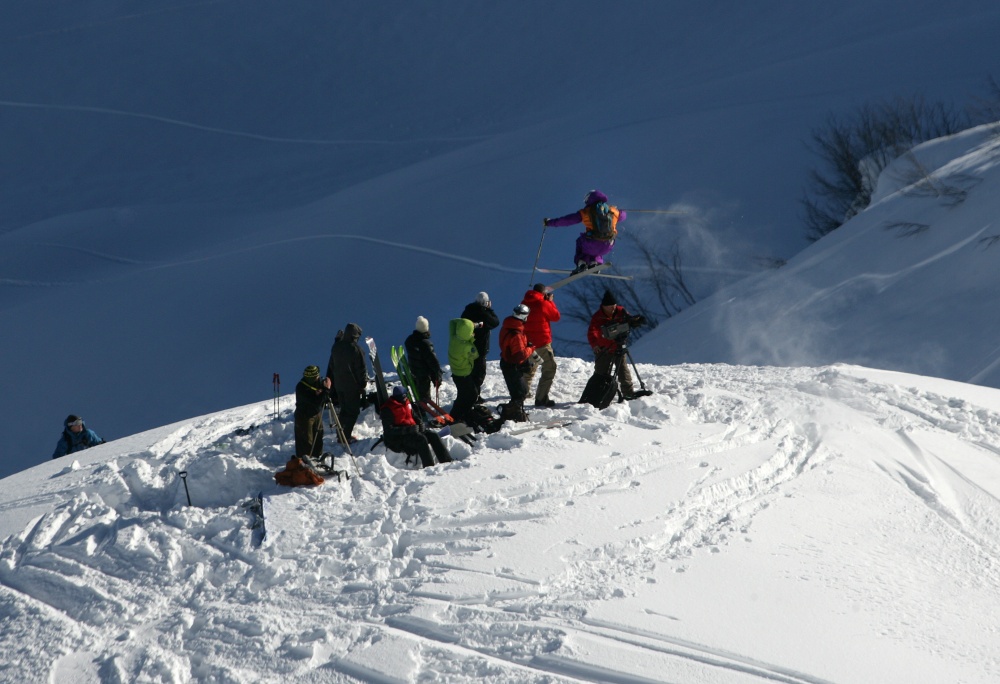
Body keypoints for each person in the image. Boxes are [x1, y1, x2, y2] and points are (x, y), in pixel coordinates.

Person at [543, 189, 627, 271]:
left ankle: (582, 263)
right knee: (595, 248)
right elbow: (623, 216)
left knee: (581, 242)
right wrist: (619, 210)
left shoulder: (585, 212)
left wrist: (550, 222)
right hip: (608, 245)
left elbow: (567, 220)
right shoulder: (612, 210)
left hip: (591, 244)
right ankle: (595, 263)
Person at [587, 290, 646, 399]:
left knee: (623, 371)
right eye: (609, 306)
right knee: (601, 372)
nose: (612, 308)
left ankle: (628, 393)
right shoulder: (598, 317)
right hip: (603, 349)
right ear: (603, 306)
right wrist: (595, 345)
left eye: (613, 305)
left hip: (619, 346)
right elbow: (592, 332)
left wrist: (635, 321)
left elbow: (628, 321)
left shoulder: (621, 311)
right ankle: (598, 394)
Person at [380, 384, 452, 468]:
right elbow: (389, 430)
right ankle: (429, 467)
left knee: (433, 435)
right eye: (404, 396)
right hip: (399, 437)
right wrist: (408, 430)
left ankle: (447, 461)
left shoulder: (407, 403)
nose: (406, 398)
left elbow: (415, 416)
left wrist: (420, 424)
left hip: (412, 431)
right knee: (421, 440)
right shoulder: (388, 409)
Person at [521, 283, 560, 407]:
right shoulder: (543, 303)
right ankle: (541, 398)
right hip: (542, 343)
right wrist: (550, 302)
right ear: (543, 293)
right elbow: (556, 316)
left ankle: (523, 393)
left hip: (527, 343)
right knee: (549, 369)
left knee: (529, 369)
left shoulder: (524, 302)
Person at [327, 323, 368, 441]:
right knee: (353, 411)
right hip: (352, 386)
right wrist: (362, 384)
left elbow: (332, 365)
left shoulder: (336, 347)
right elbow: (361, 369)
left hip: (339, 385)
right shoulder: (356, 349)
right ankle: (346, 436)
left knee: (344, 410)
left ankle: (340, 434)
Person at [498, 304, 536, 421]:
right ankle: (513, 414)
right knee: (520, 392)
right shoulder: (517, 333)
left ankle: (515, 412)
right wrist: (531, 348)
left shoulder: (509, 326)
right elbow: (520, 355)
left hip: (507, 362)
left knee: (519, 391)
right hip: (512, 365)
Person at [460, 292, 500, 403]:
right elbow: (495, 321)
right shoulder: (484, 313)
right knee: (479, 373)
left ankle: (471, 394)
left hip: (467, 347)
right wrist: (488, 309)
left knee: (470, 372)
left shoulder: (467, 311)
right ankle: (474, 396)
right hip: (480, 348)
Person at [294, 365, 331, 459]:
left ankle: (317, 458)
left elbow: (319, 398)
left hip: (316, 414)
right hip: (304, 416)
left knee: (318, 437)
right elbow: (316, 402)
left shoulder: (317, 383)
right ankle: (304, 462)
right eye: (316, 377)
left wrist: (323, 389)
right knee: (306, 441)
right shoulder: (301, 387)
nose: (318, 378)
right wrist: (326, 390)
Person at [404, 316, 443, 402]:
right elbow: (433, 361)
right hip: (424, 373)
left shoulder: (409, 340)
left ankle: (421, 404)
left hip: (414, 370)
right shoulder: (426, 344)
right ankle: (423, 407)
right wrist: (437, 373)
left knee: (419, 388)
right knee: (424, 394)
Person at [447, 317, 479, 421]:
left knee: (462, 394)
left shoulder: (454, 337)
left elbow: (452, 322)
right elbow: (475, 355)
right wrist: (471, 338)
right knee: (472, 395)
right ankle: (461, 414)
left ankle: (455, 414)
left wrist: (466, 324)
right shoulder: (467, 346)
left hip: (456, 373)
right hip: (464, 374)